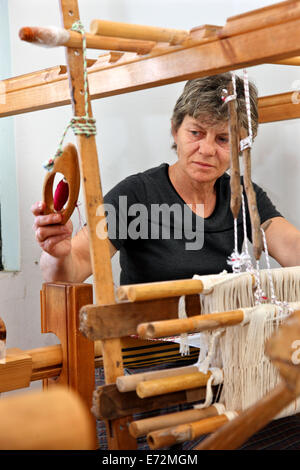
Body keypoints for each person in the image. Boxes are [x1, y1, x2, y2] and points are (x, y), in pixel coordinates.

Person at [32, 73, 300, 449]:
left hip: (225, 369)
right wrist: (55, 252)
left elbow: (289, 243)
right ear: (175, 130)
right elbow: (73, 265)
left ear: (240, 145)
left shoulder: (241, 195)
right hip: (149, 368)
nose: (207, 149)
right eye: (196, 133)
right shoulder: (137, 195)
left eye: (223, 139)